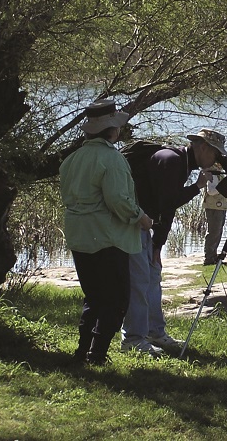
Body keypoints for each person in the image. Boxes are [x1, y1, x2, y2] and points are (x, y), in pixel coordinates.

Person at [59, 99, 153, 364]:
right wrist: (141, 218)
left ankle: (82, 350)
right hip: (107, 239)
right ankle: (97, 353)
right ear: (111, 130)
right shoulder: (112, 158)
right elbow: (119, 200)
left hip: (79, 236)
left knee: (94, 297)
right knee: (117, 299)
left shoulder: (72, 159)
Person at [122, 127, 226, 355]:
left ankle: (154, 332)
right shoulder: (172, 161)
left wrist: (157, 246)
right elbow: (167, 204)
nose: (215, 159)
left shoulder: (181, 162)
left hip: (143, 225)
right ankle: (133, 339)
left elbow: (164, 207)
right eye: (215, 154)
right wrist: (197, 187)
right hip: (131, 223)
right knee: (140, 282)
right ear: (203, 148)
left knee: (152, 277)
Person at [202, 168, 227, 265]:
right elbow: (211, 191)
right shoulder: (212, 175)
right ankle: (209, 257)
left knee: (218, 232)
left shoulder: (220, 174)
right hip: (213, 207)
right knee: (213, 231)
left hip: (220, 207)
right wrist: (223, 187)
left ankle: (214, 256)